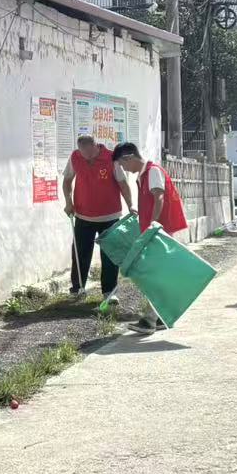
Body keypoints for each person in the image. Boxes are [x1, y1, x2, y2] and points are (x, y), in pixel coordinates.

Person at [111, 141, 188, 332]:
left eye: (123, 164)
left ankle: (149, 320)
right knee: (158, 275)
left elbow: (159, 197)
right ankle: (159, 317)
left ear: (129, 157)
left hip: (160, 232)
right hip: (155, 231)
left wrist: (153, 225)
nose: (124, 169)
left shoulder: (153, 171)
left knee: (153, 276)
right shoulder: (143, 175)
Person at [62, 134, 134, 302]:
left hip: (110, 215)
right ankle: (77, 289)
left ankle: (109, 292)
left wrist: (131, 205)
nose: (86, 157)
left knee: (109, 256)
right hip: (83, 215)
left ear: (95, 146)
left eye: (89, 153)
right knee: (80, 254)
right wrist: (68, 202)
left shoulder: (111, 158)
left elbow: (123, 184)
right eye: (83, 154)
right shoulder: (75, 157)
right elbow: (67, 181)